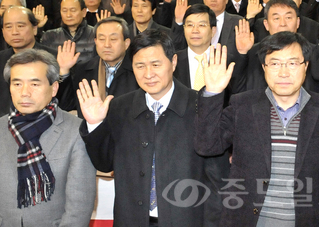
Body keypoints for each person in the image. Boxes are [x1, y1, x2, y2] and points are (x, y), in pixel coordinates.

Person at [195, 32, 319, 226]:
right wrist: (213, 93)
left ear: (306, 66)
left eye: (293, 63)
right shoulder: (242, 104)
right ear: (263, 68)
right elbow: (207, 146)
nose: (283, 72)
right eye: (275, 64)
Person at [78, 29, 228, 226]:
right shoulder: (119, 107)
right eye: (140, 66)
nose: (148, 74)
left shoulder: (201, 106)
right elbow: (104, 164)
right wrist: (95, 124)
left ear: (173, 62)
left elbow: (218, 179)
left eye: (156, 64)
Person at [0, 48, 96, 226]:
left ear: (54, 88)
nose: (25, 92)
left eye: (35, 84)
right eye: (17, 84)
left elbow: (79, 206)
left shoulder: (76, 131)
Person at [56, 16, 138, 117]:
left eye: (113, 39)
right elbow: (66, 106)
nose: (107, 45)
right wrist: (64, 70)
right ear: (95, 42)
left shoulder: (137, 70)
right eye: (102, 39)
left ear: (126, 43)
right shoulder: (82, 69)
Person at [40, 0, 96, 64]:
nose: (68, 15)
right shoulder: (50, 36)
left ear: (84, 12)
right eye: (64, 10)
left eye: (73, 10)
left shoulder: (95, 34)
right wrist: (37, 29)